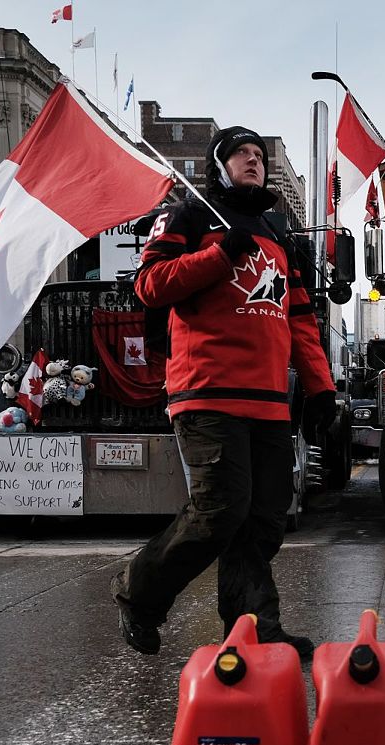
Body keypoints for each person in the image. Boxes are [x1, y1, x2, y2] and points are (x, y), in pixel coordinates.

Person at [110, 126, 337, 656]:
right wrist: (218, 257)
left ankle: (254, 628)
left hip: (268, 400)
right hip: (206, 390)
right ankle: (137, 595)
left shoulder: (278, 232)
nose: (253, 161)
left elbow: (299, 319)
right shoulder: (189, 215)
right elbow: (149, 285)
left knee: (263, 519)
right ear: (220, 164)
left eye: (260, 155)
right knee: (220, 511)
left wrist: (321, 389)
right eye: (242, 154)